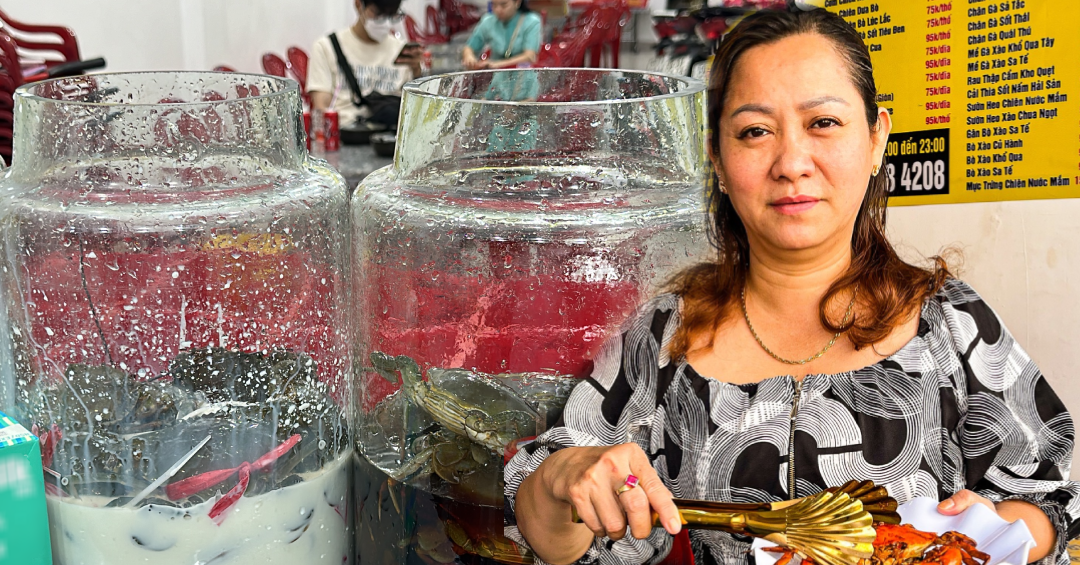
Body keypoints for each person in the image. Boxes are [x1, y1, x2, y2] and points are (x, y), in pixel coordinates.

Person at [505, 9, 1078, 565]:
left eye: (823, 123)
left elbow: (1049, 499)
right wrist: (562, 477)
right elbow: (554, 538)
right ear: (719, 162)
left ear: (877, 137)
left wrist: (991, 534)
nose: (791, 162)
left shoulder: (951, 324)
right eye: (755, 131)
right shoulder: (664, 335)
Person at [307, 0, 422, 128]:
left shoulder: (403, 51)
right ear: (358, 5)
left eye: (393, 15)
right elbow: (321, 108)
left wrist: (418, 72)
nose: (386, 22)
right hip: (345, 135)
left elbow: (416, 110)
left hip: (389, 136)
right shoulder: (327, 47)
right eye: (378, 14)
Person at [462, 0, 542, 71]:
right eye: (494, 5)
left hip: (523, 78)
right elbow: (470, 47)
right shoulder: (488, 21)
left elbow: (529, 56)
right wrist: (469, 57)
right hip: (497, 81)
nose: (498, 10)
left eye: (504, 5)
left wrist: (498, 64)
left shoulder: (531, 21)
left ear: (517, 2)